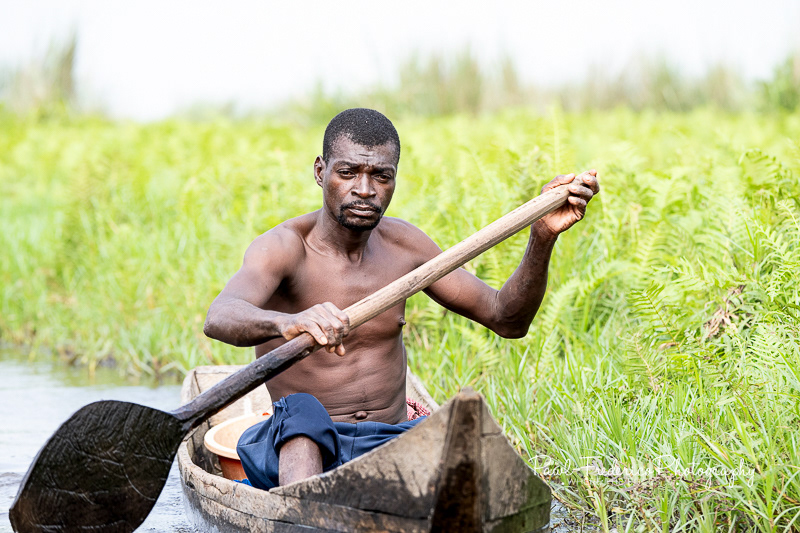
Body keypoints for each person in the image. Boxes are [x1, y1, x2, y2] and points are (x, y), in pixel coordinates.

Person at [203, 108, 599, 490]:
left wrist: (542, 237)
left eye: (381, 176)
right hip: (300, 449)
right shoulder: (285, 248)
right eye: (347, 173)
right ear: (321, 172)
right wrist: (287, 322)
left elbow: (507, 319)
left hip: (389, 441)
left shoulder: (404, 246)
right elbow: (220, 316)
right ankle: (302, 508)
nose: (364, 190)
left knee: (459, 432)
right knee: (302, 412)